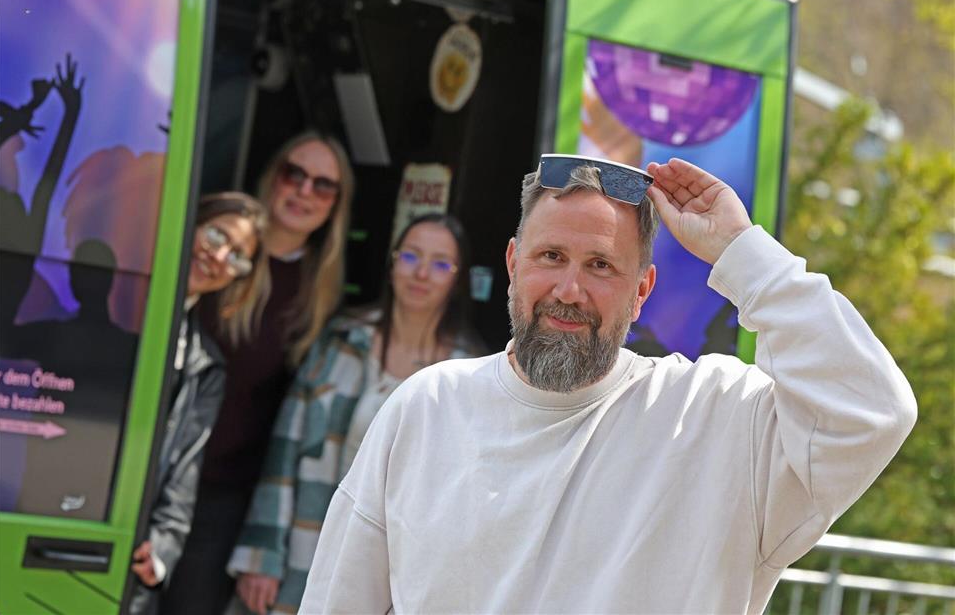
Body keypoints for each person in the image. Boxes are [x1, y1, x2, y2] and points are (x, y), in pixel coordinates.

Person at [298, 156, 917, 613]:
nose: (570, 290)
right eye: (550, 258)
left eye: (601, 266)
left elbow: (872, 411)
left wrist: (743, 253)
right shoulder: (426, 407)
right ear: (514, 265)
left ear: (641, 290)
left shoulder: (718, 421)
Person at [227, 214, 483, 615]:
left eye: (439, 263)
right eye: (410, 256)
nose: (421, 273)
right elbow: (286, 445)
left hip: (389, 582)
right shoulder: (344, 338)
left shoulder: (469, 375)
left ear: (457, 279)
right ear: (392, 262)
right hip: (301, 554)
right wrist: (262, 555)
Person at [160, 133, 355, 615]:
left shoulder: (322, 292)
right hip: (152, 462)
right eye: (295, 173)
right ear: (273, 177)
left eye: (324, 185)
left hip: (223, 494)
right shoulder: (219, 252)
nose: (305, 191)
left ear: (336, 205)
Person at [129, 192, 268, 614]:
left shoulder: (205, 364)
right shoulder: (97, 301)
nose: (219, 255)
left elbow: (185, 466)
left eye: (238, 256)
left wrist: (161, 550)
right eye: (215, 233)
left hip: (124, 563)